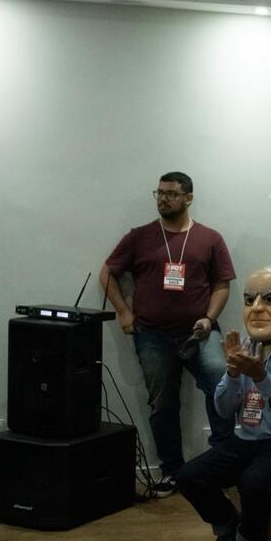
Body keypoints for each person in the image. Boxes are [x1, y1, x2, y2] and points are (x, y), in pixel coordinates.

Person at [100, 171, 236, 496]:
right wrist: (123, 312)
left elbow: (222, 284)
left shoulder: (210, 238)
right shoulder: (139, 237)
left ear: (189, 198)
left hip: (198, 332)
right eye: (159, 193)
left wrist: (208, 317)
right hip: (152, 335)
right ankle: (173, 470)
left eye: (171, 194)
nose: (163, 199)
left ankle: (223, 461)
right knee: (162, 404)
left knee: (222, 386)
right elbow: (107, 273)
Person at [177, 265, 271, 541]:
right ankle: (227, 531)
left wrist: (261, 377)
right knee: (190, 476)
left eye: (270, 300)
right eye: (249, 300)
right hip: (245, 438)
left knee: (254, 483)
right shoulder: (246, 345)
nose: (257, 309)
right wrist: (233, 374)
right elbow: (223, 408)